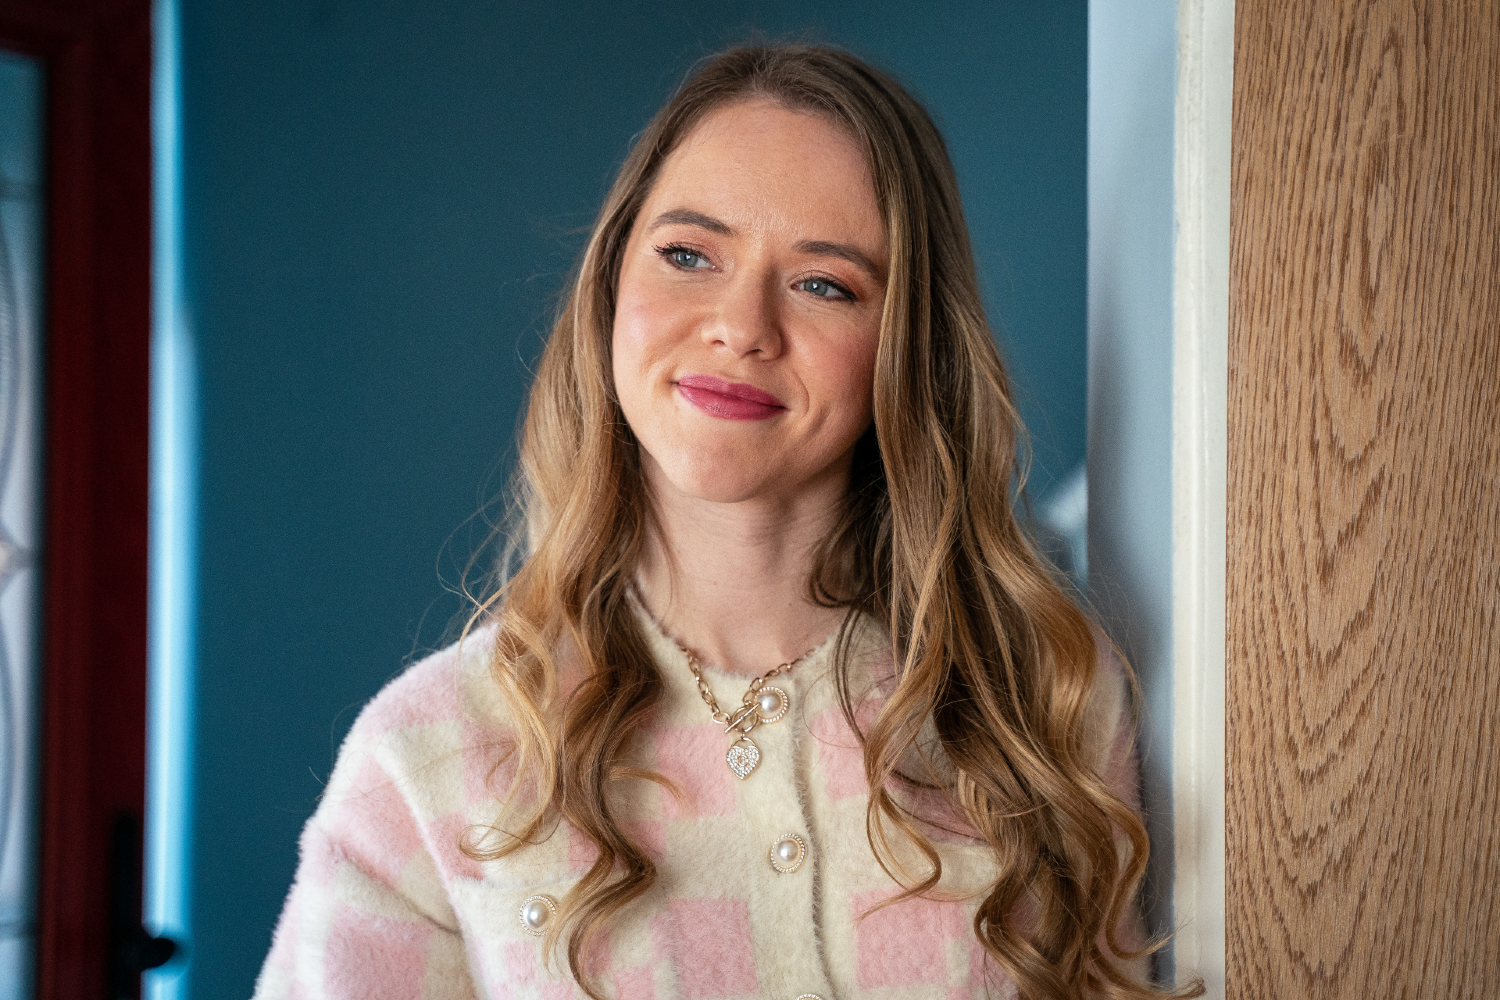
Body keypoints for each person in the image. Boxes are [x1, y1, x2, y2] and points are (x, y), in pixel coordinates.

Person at [253, 44, 1201, 1000]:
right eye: (688, 255)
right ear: (610, 287)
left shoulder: (1047, 709)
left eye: (824, 283)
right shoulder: (427, 757)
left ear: (906, 344)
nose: (742, 325)